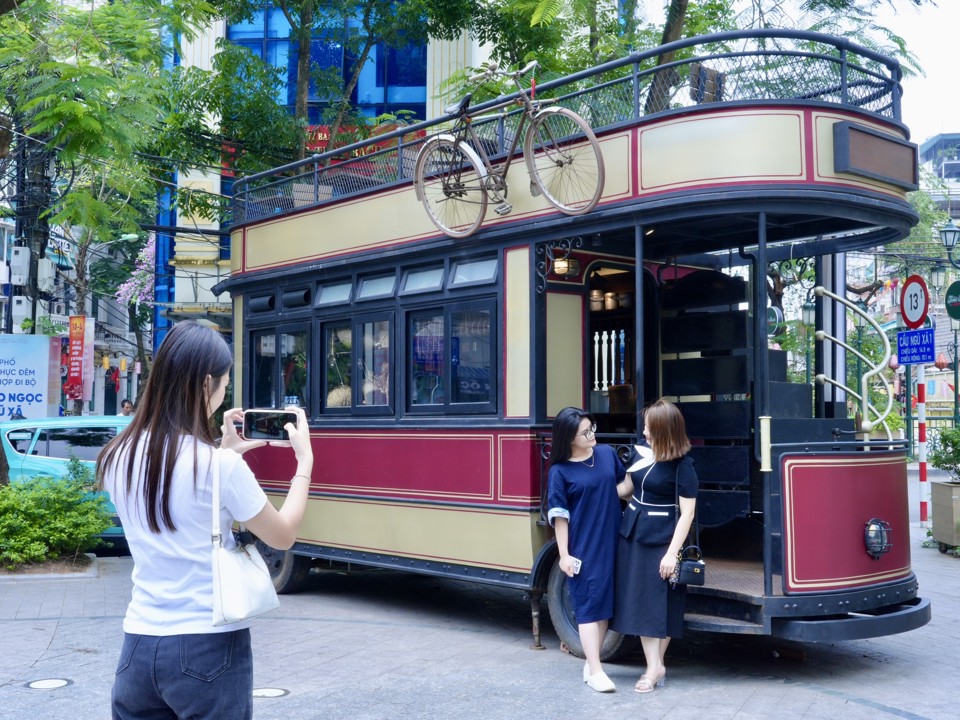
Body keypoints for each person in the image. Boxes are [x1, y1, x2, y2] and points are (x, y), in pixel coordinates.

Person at [97, 320, 314, 719]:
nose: (224, 393)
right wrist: (305, 463)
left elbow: (173, 487)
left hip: (138, 646)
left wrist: (225, 447)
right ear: (205, 384)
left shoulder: (117, 455)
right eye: (224, 384)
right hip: (208, 647)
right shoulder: (220, 467)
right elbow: (282, 536)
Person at [612, 398, 698, 693]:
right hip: (633, 534)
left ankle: (654, 667)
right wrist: (595, 490)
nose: (644, 432)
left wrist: (672, 554)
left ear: (665, 431)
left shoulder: (683, 467)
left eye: (649, 428)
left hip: (661, 540)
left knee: (659, 606)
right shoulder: (641, 452)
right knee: (641, 604)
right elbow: (626, 488)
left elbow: (687, 513)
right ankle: (655, 666)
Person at [546, 407, 631, 693]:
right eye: (585, 432)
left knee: (604, 606)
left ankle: (591, 664)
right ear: (569, 438)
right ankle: (595, 669)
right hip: (582, 544)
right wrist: (564, 555)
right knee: (587, 607)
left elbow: (623, 487)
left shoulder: (606, 455)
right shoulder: (560, 471)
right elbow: (560, 516)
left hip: (612, 538)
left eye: (591, 428)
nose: (592, 434)